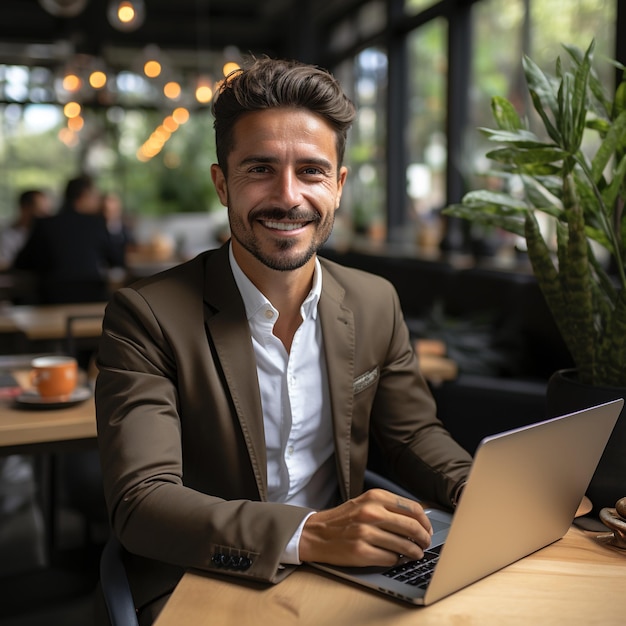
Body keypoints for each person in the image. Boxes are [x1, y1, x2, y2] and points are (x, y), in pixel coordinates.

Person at [95, 57, 473, 625]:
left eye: (312, 171)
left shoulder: (374, 301)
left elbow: (412, 434)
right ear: (222, 182)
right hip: (204, 577)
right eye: (260, 169)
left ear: (339, 186)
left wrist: (482, 495)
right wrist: (312, 532)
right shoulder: (146, 315)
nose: (288, 196)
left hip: (348, 572)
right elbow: (143, 502)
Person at [13, 174, 124, 304]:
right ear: (84, 196)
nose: (98, 201)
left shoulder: (45, 224)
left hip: (51, 298)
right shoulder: (96, 224)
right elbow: (117, 260)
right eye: (95, 196)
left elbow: (21, 262)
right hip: (91, 296)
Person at [0, 189, 51, 269]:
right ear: (25, 208)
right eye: (40, 211)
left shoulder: (46, 234)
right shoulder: (7, 236)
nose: (46, 216)